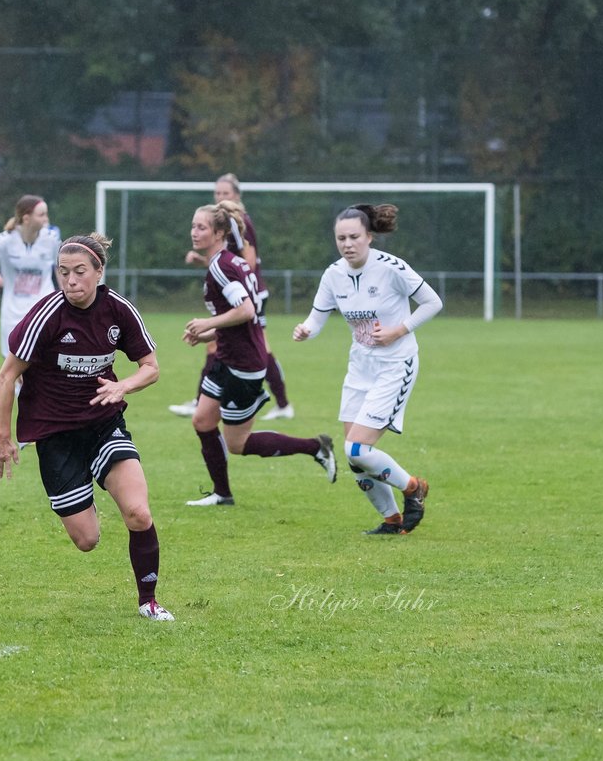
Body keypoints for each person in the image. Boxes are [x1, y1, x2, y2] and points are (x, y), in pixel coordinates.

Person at [0, 232, 173, 622]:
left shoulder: (118, 310)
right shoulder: (46, 315)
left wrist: (123, 386)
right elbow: (7, 376)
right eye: (63, 272)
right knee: (87, 540)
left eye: (80, 272)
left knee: (138, 513)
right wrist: (4, 436)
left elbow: (151, 368)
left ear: (99, 272)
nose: (71, 281)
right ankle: (84, 487)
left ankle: (149, 601)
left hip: (104, 424)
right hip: (55, 436)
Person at [292, 203, 442, 535]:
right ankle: (392, 520)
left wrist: (398, 330)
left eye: (354, 237)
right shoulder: (333, 274)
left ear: (369, 237)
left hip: (395, 364)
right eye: (341, 238)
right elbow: (316, 319)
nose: (347, 244)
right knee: (355, 457)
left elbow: (434, 302)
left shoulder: (392, 268)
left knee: (358, 448)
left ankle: (413, 487)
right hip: (360, 367)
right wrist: (305, 330)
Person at [181, 201, 337, 507]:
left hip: (244, 366)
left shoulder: (223, 267)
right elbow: (243, 318)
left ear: (220, 232)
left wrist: (207, 323)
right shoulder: (228, 262)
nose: (194, 232)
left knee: (236, 444)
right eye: (193, 226)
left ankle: (315, 447)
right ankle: (222, 494)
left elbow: (246, 310)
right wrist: (208, 335)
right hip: (226, 356)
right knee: (202, 421)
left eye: (201, 227)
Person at [169, 173, 294, 420]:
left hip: (249, 293)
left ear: (237, 196)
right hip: (244, 292)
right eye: (217, 193)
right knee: (235, 345)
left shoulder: (237, 224)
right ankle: (280, 403)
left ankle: (279, 403)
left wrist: (208, 323)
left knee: (256, 348)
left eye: (225, 194)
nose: (221, 197)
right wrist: (205, 260)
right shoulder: (222, 232)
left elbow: (244, 261)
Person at [0, 195, 61, 361]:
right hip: (13, 313)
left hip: (44, 310)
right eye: (41, 215)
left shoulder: (51, 239)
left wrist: (66, 296)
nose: (46, 219)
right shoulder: (5, 240)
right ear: (26, 218)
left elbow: (61, 269)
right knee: (13, 366)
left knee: (43, 363)